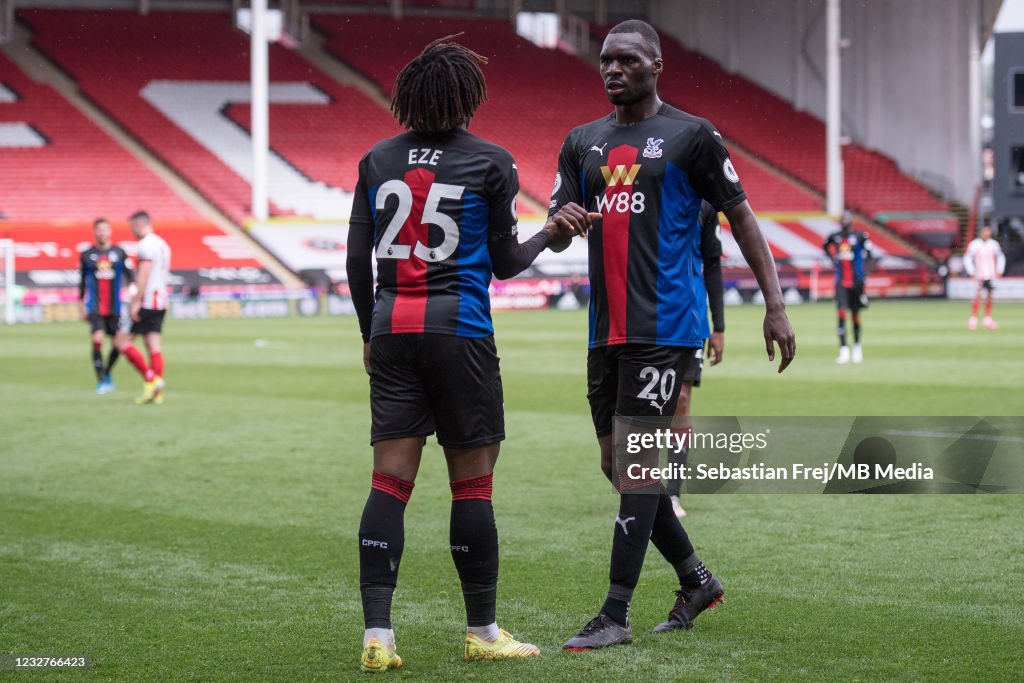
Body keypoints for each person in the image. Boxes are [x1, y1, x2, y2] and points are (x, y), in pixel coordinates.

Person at [549, 20, 795, 651]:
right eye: (605, 60)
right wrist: (560, 220)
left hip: (667, 328)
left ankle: (614, 614)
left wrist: (774, 305)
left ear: (656, 65)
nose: (612, 69)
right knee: (617, 464)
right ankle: (696, 580)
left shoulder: (693, 137)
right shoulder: (582, 143)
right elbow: (559, 216)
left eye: (627, 60)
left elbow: (741, 218)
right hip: (605, 330)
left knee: (635, 463)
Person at [345, 37, 589, 673]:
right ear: (467, 96)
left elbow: (356, 260)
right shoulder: (490, 161)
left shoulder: (376, 160)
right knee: (471, 486)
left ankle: (379, 636)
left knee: (389, 481)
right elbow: (507, 263)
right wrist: (551, 231)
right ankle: (482, 630)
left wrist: (369, 333)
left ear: (409, 96)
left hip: (391, 326)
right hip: (461, 333)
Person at [666, 201, 725, 518]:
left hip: (690, 317)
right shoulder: (650, 189)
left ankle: (672, 494)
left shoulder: (704, 204)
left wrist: (719, 326)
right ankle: (639, 488)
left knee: (682, 400)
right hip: (647, 313)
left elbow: (713, 265)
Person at [114, 211, 171, 404]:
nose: (131, 231)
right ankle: (157, 392)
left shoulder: (146, 245)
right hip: (161, 301)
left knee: (121, 341)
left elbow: (144, 274)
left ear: (139, 224)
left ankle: (151, 379)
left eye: (131, 227)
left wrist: (135, 301)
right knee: (153, 345)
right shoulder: (162, 244)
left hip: (146, 301)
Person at [79, 218, 133, 394]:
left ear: (110, 231)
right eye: (99, 230)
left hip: (115, 307)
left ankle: (107, 372)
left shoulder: (119, 252)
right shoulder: (87, 254)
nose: (102, 233)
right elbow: (81, 282)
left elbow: (130, 275)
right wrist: (81, 304)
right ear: (94, 232)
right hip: (95, 306)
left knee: (118, 345)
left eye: (105, 229)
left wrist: (134, 293)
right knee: (97, 339)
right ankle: (102, 379)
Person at [823, 210, 873, 364]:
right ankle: (844, 349)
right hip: (841, 282)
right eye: (843, 218)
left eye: (847, 218)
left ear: (852, 220)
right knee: (842, 313)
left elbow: (870, 254)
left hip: (857, 282)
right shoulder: (835, 236)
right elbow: (825, 246)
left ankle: (857, 347)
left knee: (856, 315)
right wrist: (833, 259)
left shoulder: (859, 236)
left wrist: (865, 273)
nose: (845, 221)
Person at [963, 225, 1005, 329]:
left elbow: (1001, 257)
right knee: (978, 295)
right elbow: (967, 258)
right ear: (981, 233)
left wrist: (1000, 270)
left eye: (989, 232)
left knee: (990, 296)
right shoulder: (975, 244)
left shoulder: (993, 244)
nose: (987, 234)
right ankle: (973, 319)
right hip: (979, 275)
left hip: (990, 274)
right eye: (985, 232)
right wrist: (972, 271)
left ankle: (988, 320)